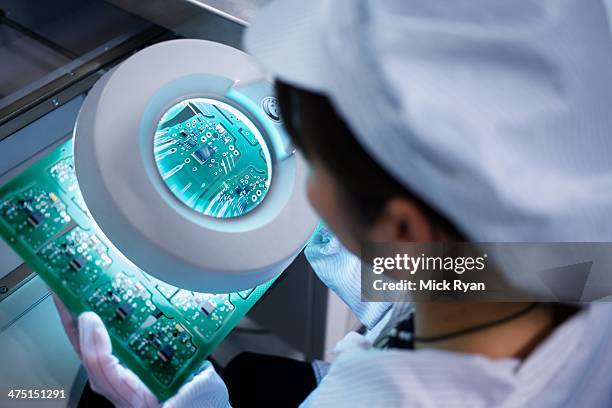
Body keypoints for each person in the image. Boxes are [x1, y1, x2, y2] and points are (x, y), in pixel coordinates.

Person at [54, 0, 612, 406]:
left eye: (314, 163)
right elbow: (472, 275)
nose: (301, 179)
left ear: (403, 225)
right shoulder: (567, 250)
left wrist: (177, 401)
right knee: (254, 371)